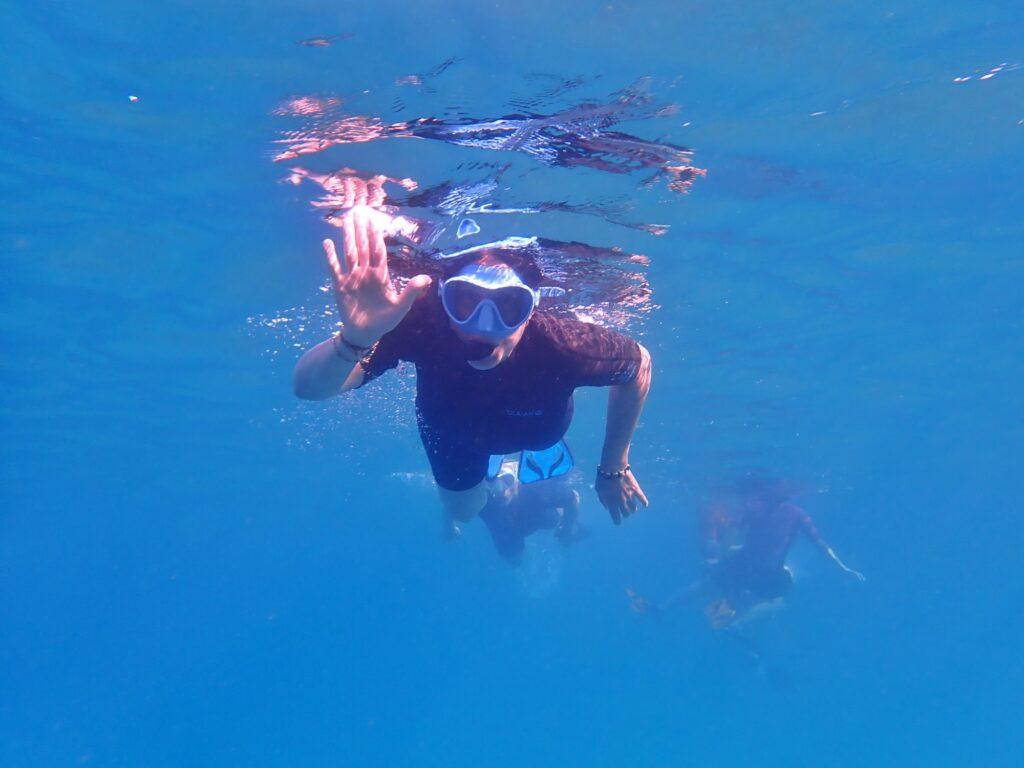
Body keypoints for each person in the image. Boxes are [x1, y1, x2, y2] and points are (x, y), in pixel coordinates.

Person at [293, 207, 652, 535]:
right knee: (464, 511)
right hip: (453, 436)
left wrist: (613, 465)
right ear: (443, 300)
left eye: (509, 306)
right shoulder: (420, 325)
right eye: (464, 302)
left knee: (504, 472)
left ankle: (504, 472)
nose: (483, 327)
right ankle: (481, 498)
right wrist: (355, 340)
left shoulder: (563, 346)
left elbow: (640, 364)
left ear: (531, 309)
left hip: (533, 432)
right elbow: (309, 388)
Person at [629, 477, 864, 628]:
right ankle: (735, 621)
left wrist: (719, 555)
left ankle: (667, 609)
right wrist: (842, 568)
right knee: (771, 598)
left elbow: (733, 532)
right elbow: (819, 544)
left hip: (747, 564)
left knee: (707, 587)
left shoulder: (759, 507)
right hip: (762, 570)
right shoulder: (794, 513)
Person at [478, 461, 585, 564]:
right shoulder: (483, 500)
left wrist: (567, 525)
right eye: (492, 482)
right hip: (509, 526)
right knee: (513, 560)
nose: (500, 490)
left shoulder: (537, 488)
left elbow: (572, 498)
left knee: (551, 520)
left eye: (507, 479)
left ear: (518, 480)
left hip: (539, 515)